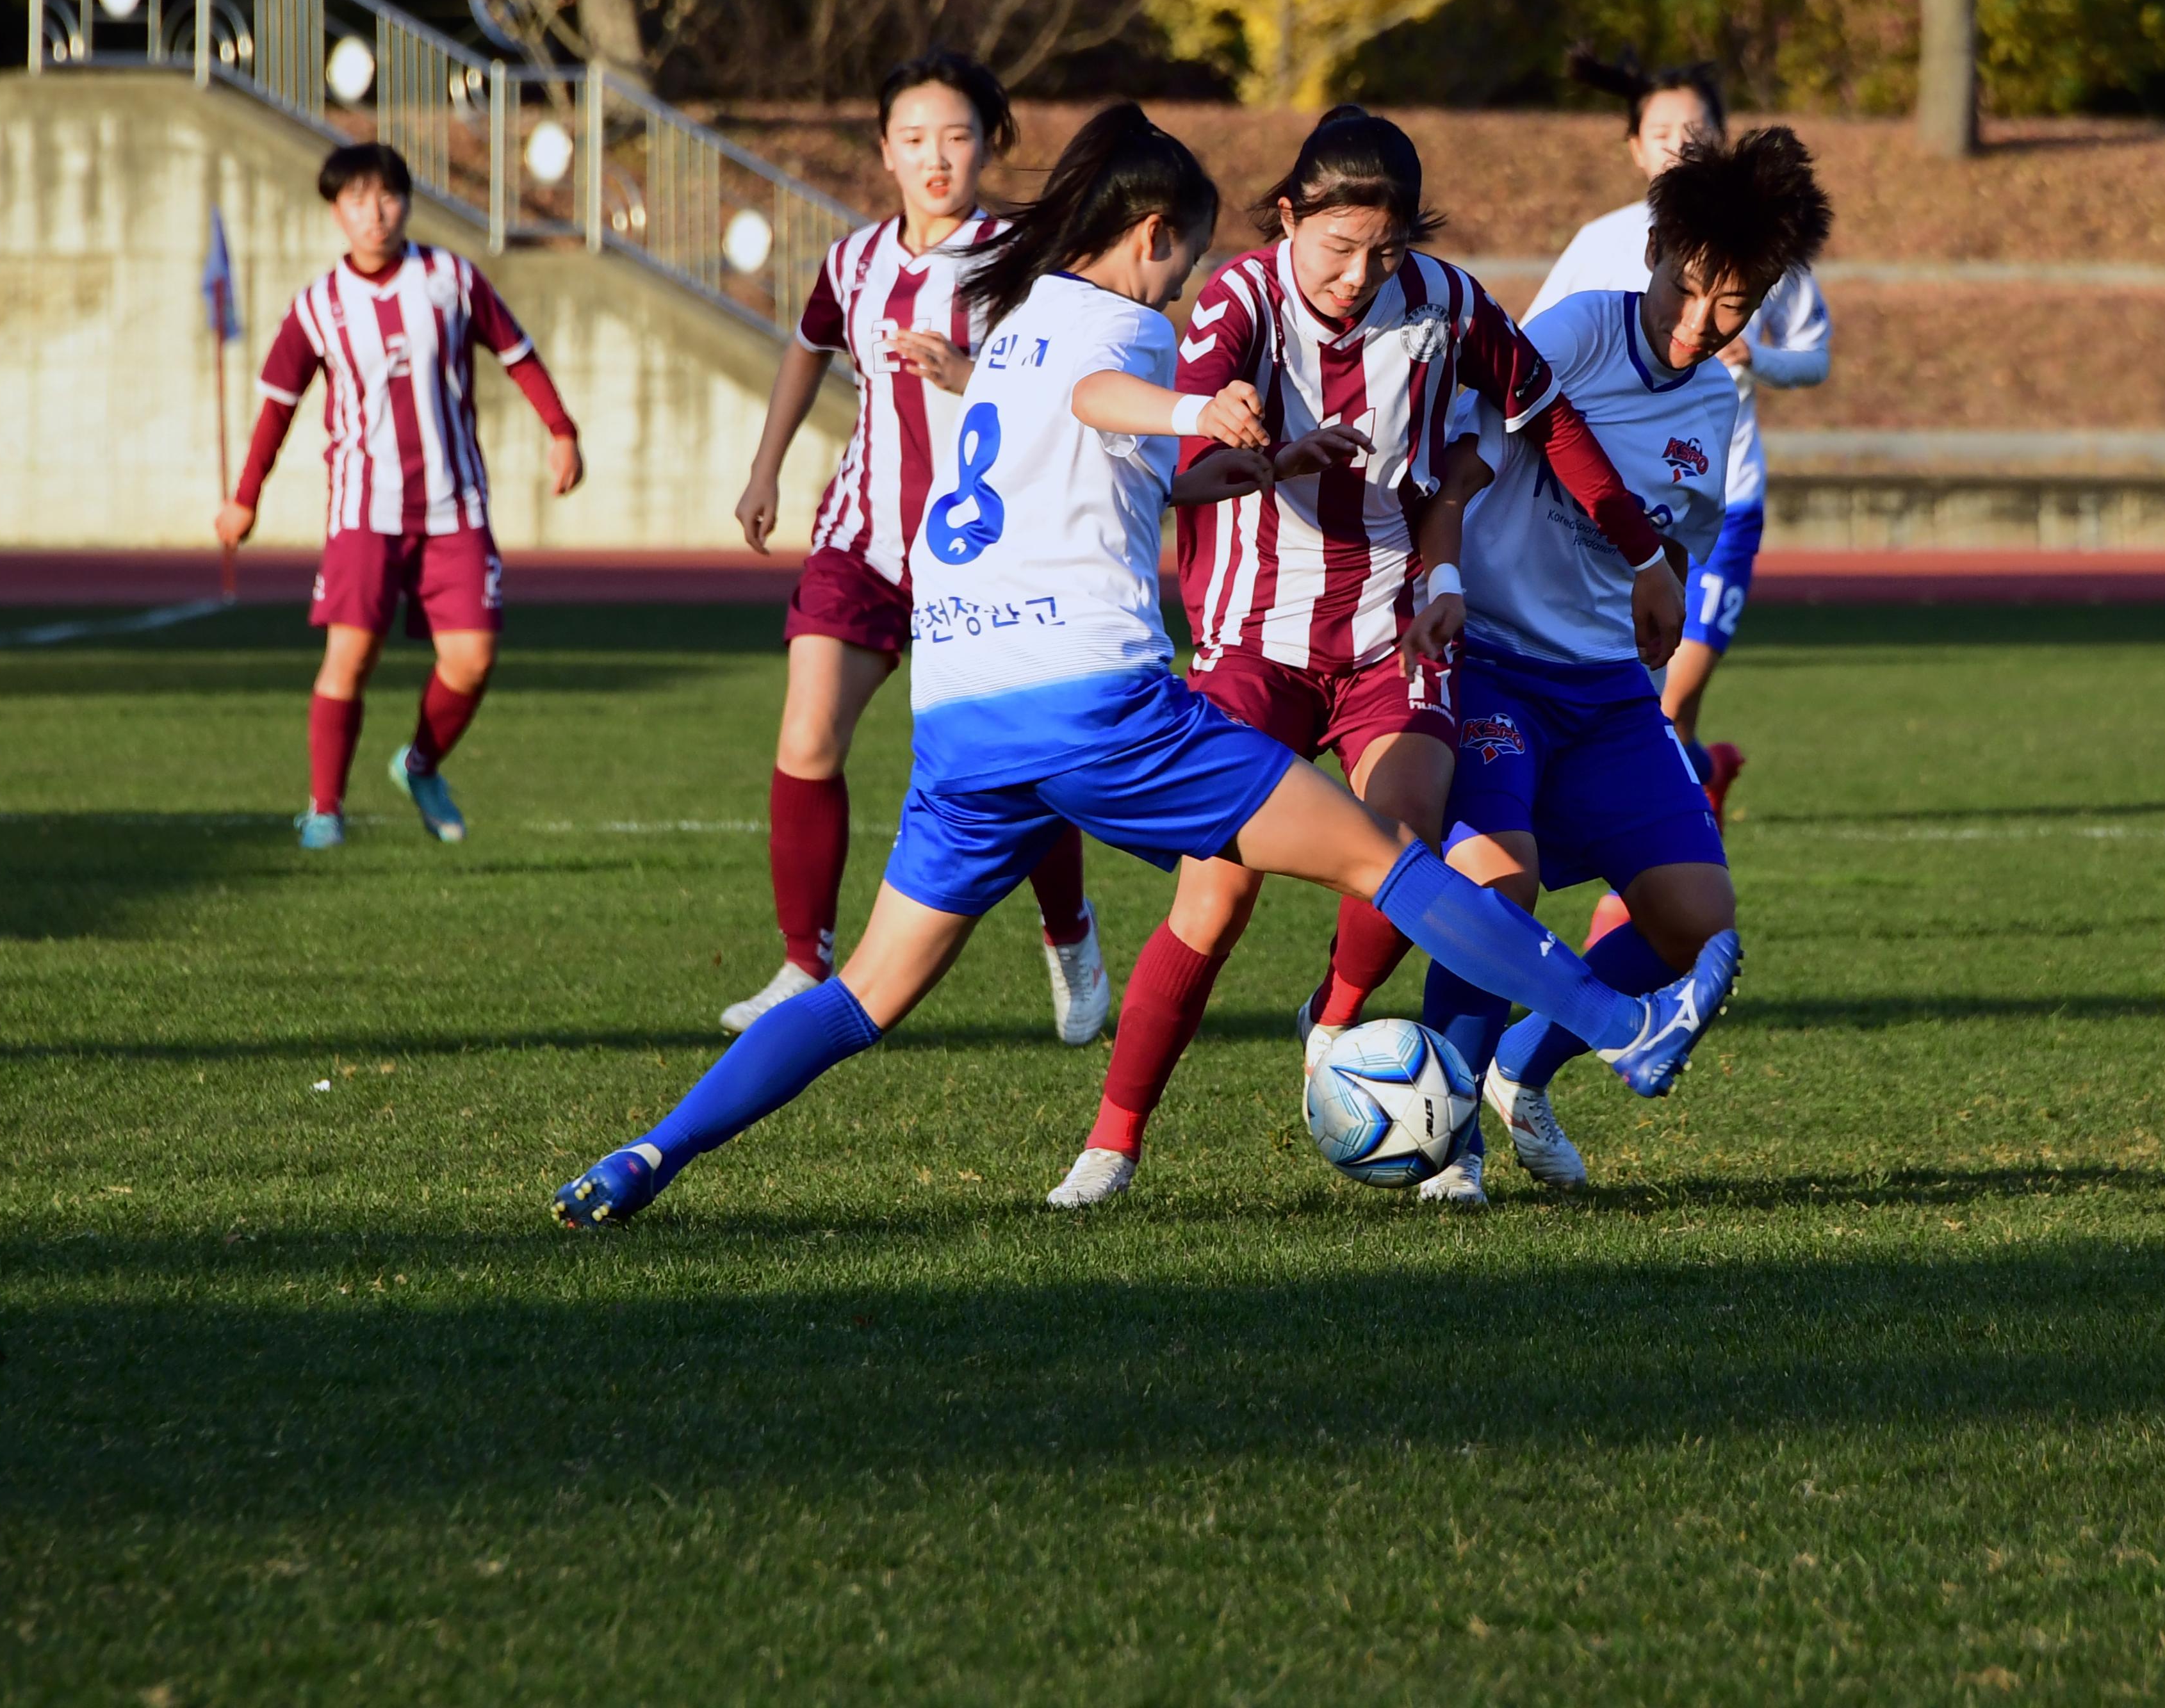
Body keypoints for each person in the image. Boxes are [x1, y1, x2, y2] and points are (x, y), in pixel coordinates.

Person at [551, 105, 1736, 1231]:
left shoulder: (1009, 331)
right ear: (1155, 237)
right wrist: (1182, 404)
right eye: (1185, 258)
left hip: (961, 717)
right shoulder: (1124, 327)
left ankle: (647, 1153)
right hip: (1097, 708)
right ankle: (1618, 1024)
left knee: (861, 994)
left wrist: (1246, 458)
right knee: (1387, 858)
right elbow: (1107, 396)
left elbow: (1118, 461)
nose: (1184, 281)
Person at [1045, 106, 1683, 1210]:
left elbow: (1547, 417)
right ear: (1288, 215)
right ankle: (1111, 1142)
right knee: (1215, 897)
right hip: (1253, 641)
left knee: (1403, 846)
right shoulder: (1238, 300)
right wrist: (1245, 442)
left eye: (1382, 251)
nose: (1358, 273)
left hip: (1391, 639)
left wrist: (1643, 555)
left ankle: (1335, 1014)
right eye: (1337, 246)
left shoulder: (1443, 303)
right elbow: (1176, 470)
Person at [1430, 126, 1833, 1194]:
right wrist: (1439, 575)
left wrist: (1662, 604)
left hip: (1605, 687)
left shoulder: (1717, 403)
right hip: (1495, 664)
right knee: (1494, 880)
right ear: (1655, 250)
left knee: (1696, 922)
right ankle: (1448, 1138)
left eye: (1735, 305)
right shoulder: (1573, 333)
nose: (1701, 324)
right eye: (1691, 289)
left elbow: (1684, 537)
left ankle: (1522, 1068)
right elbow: (1460, 466)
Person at [721, 53, 1102, 1042]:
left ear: (989, 146)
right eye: (916, 139)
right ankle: (805, 964)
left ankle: (1070, 936)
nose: (937, 158)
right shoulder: (851, 263)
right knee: (807, 736)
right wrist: (765, 469)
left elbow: (1066, 386)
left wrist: (968, 371)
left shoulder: (1023, 254)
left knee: (1020, 762)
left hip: (981, 549)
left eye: (959, 137)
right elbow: (808, 346)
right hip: (863, 537)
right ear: (885, 152)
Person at [218, 140, 584, 849]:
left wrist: (561, 429)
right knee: (351, 657)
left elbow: (517, 353)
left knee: (473, 658)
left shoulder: (451, 279)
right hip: (364, 510)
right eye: (357, 199)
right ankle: (326, 807)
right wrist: (245, 496)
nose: (375, 213)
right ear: (335, 212)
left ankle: (420, 764)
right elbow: (277, 404)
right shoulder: (318, 306)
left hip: (456, 505)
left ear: (408, 202)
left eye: (387, 196)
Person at [1530, 58, 1830, 817]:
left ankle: (1660, 887)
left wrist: (1762, 361)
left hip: (1716, 505)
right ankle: (1695, 801)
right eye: (1660, 132)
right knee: (1660, 723)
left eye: (1693, 130)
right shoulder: (1602, 245)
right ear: (1635, 148)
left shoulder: (1769, 255)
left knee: (1665, 705)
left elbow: (1817, 355)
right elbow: (1525, 359)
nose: (1678, 144)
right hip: (1596, 517)